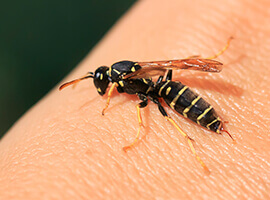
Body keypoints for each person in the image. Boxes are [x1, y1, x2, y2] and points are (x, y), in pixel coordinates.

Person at [0, 1, 269, 199]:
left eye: (104, 85)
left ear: (110, 79)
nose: (105, 88)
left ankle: (191, 143)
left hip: (169, 95)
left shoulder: (121, 80)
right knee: (170, 78)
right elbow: (154, 75)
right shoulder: (125, 73)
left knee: (161, 104)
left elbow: (133, 96)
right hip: (165, 87)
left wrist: (130, 121)